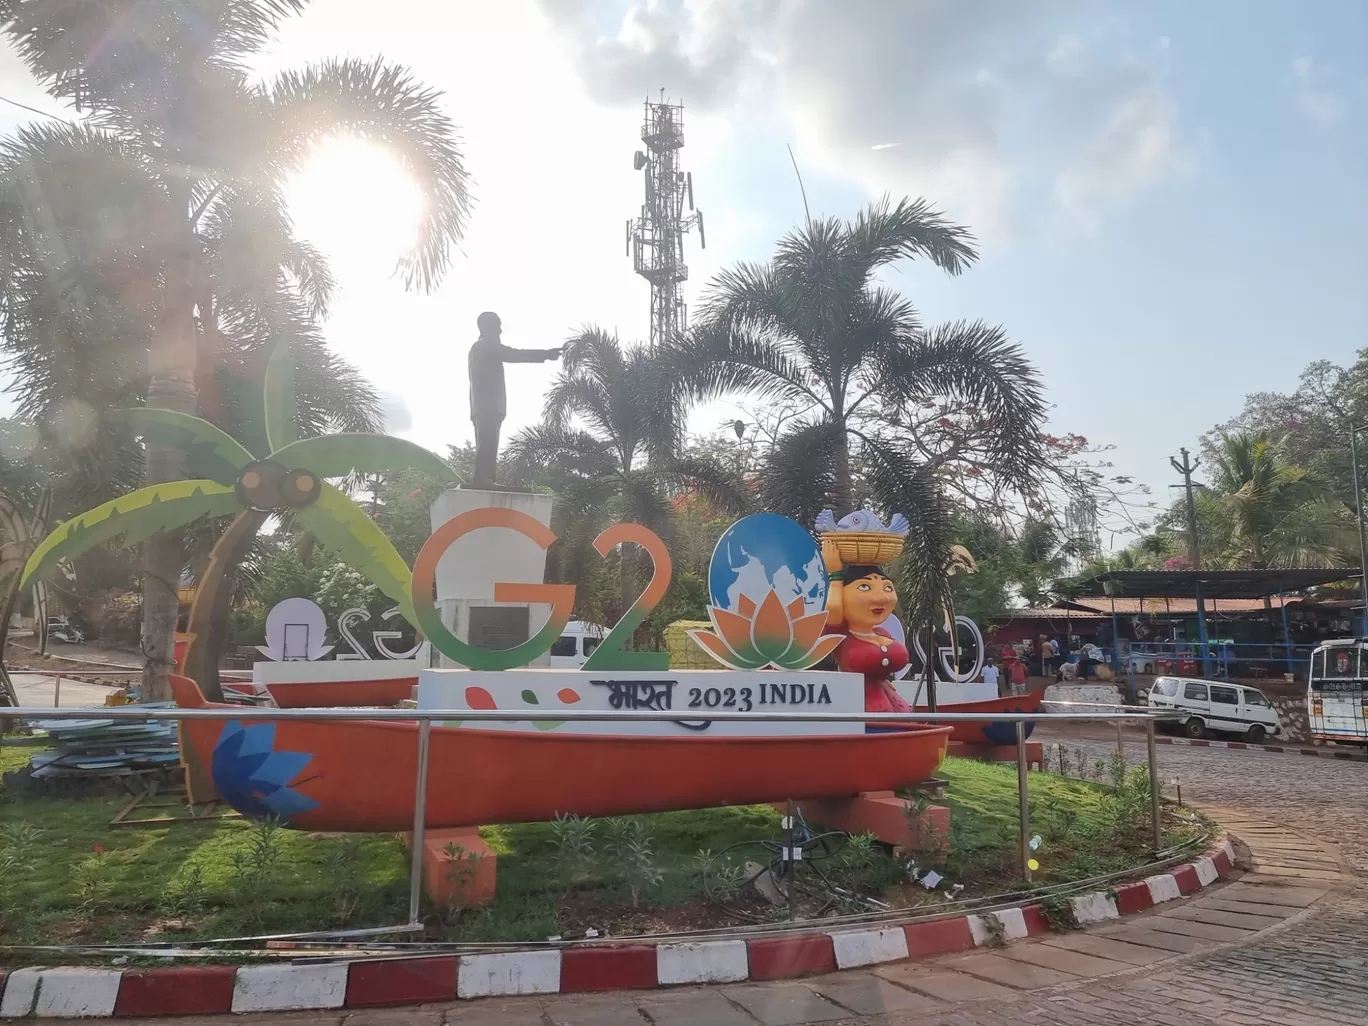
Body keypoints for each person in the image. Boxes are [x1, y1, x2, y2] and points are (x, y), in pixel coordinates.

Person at [822, 539, 913, 721]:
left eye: (887, 587)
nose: (882, 598)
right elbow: (832, 609)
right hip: (860, 707)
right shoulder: (840, 634)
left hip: (893, 705)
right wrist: (835, 576)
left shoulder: (882, 633)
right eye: (865, 587)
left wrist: (884, 677)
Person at [468, 312, 561, 487]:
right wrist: (546, 354)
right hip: (489, 404)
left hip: (483, 405)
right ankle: (483, 479)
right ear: (488, 327)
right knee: (487, 441)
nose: (501, 331)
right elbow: (514, 354)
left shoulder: (478, 348)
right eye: (498, 326)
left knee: (487, 442)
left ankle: (486, 478)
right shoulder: (486, 345)